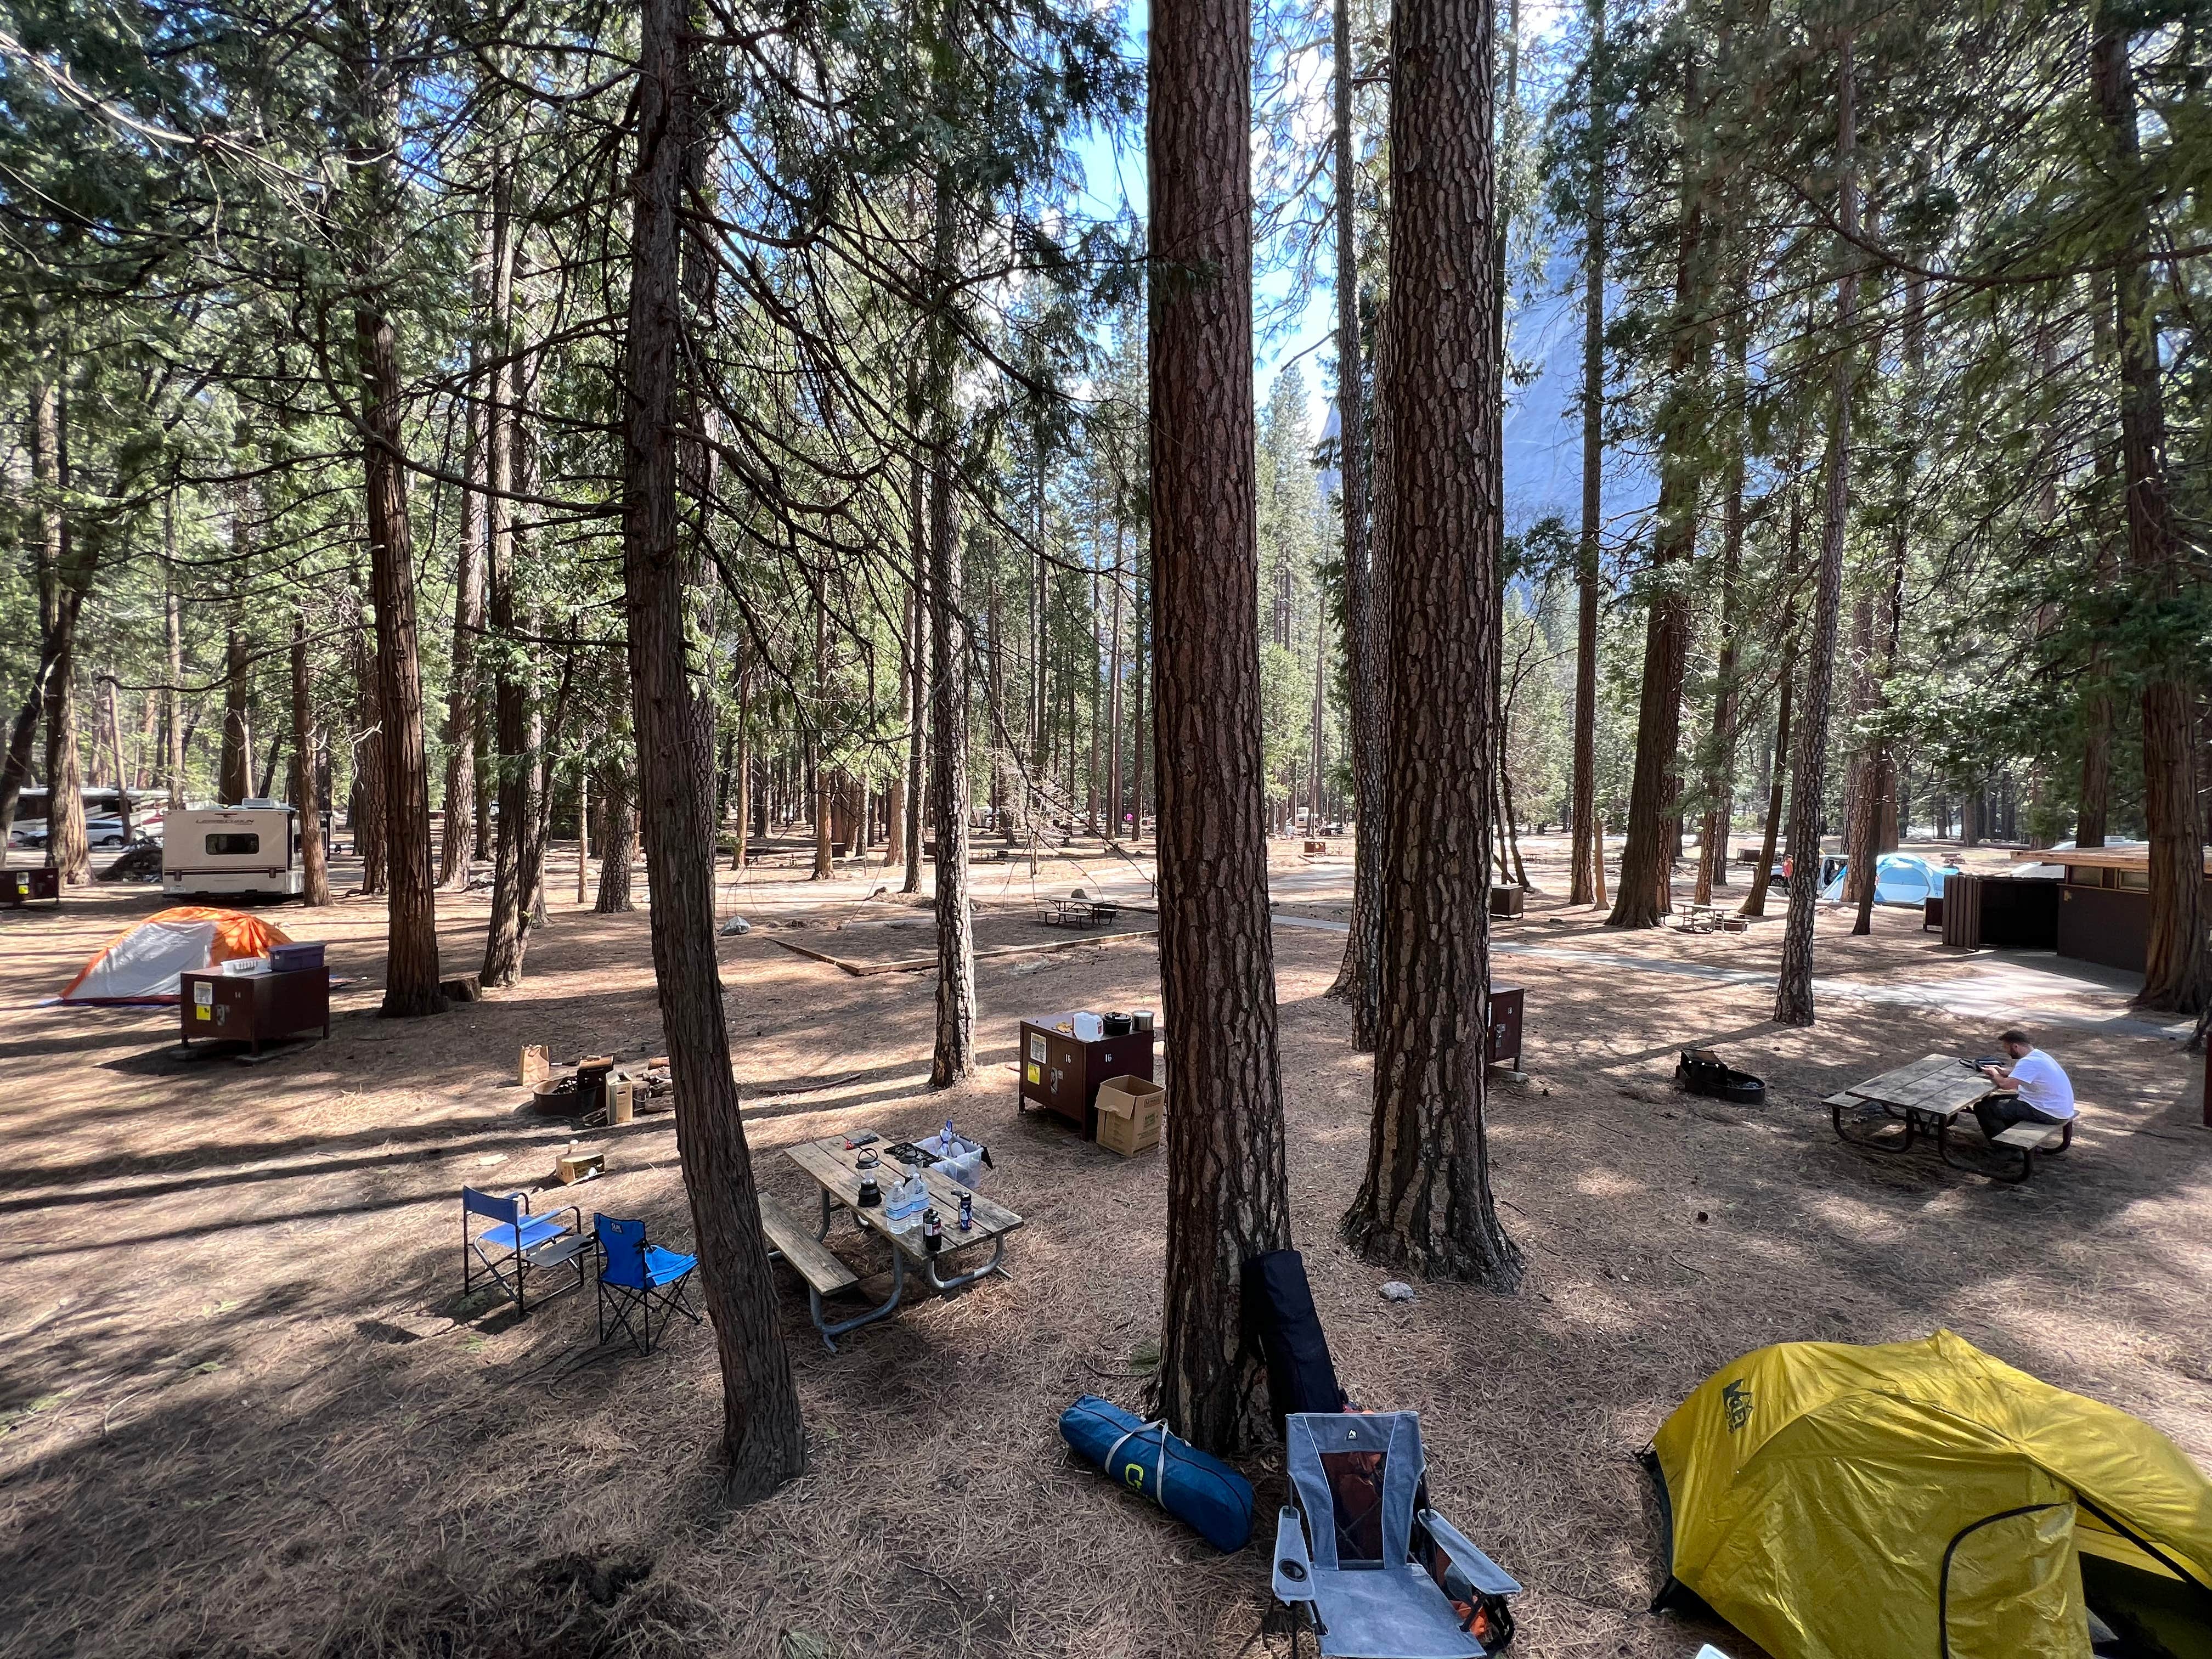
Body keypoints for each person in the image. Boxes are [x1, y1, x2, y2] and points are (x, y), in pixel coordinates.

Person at [1974, 1028, 2076, 1142]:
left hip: (2048, 1112)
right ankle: (2010, 1138)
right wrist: (2003, 1071)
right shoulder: (2039, 1055)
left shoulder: (2028, 1062)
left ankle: (2008, 1150)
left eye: (2006, 1048)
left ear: (2015, 1047)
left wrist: (1994, 1074)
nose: (2006, 1052)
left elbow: (2006, 1085)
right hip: (2059, 1108)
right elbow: (2027, 1073)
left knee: (1984, 1108)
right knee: (1994, 1101)